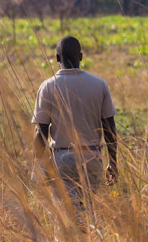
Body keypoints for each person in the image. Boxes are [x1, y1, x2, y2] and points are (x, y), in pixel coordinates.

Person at [31, 36, 117, 216]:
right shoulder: (99, 84)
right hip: (92, 156)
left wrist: (39, 165)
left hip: (63, 157)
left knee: (68, 214)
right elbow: (109, 129)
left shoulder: (47, 86)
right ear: (81, 56)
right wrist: (113, 163)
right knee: (89, 212)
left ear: (57, 58)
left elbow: (41, 132)